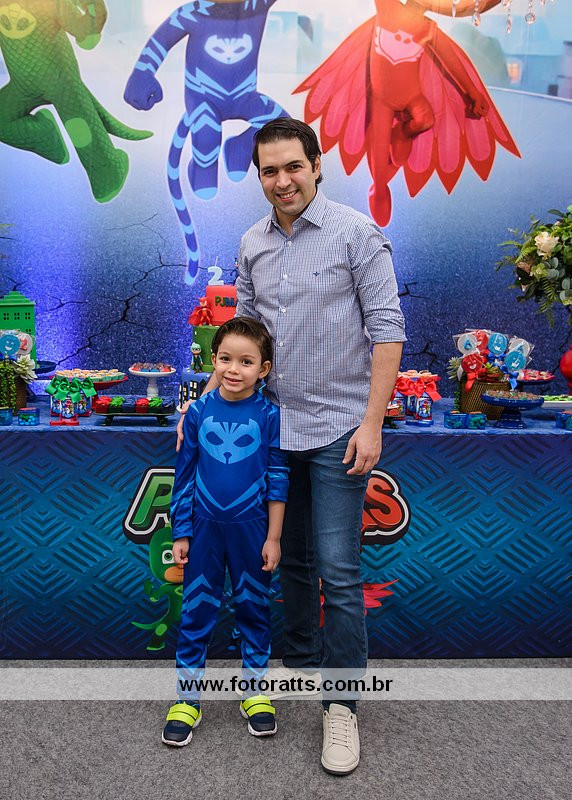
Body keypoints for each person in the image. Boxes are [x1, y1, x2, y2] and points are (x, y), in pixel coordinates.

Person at [178, 118, 406, 774]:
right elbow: (246, 339)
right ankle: (301, 668)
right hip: (272, 432)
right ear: (259, 176)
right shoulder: (252, 242)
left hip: (338, 430)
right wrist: (204, 404)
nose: (283, 181)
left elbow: (388, 329)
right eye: (270, 171)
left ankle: (342, 708)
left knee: (338, 570)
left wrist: (372, 423)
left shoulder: (357, 234)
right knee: (295, 564)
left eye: (293, 167)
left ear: (317, 165)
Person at [163, 316, 289, 747]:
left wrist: (273, 537)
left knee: (254, 610)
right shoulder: (197, 412)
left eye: (246, 362)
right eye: (225, 359)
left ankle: (254, 692)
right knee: (196, 612)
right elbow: (184, 477)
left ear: (264, 369)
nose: (234, 369)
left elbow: (278, 477)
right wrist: (182, 532)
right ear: (213, 361)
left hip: (252, 531)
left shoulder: (270, 415)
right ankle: (187, 698)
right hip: (204, 530)